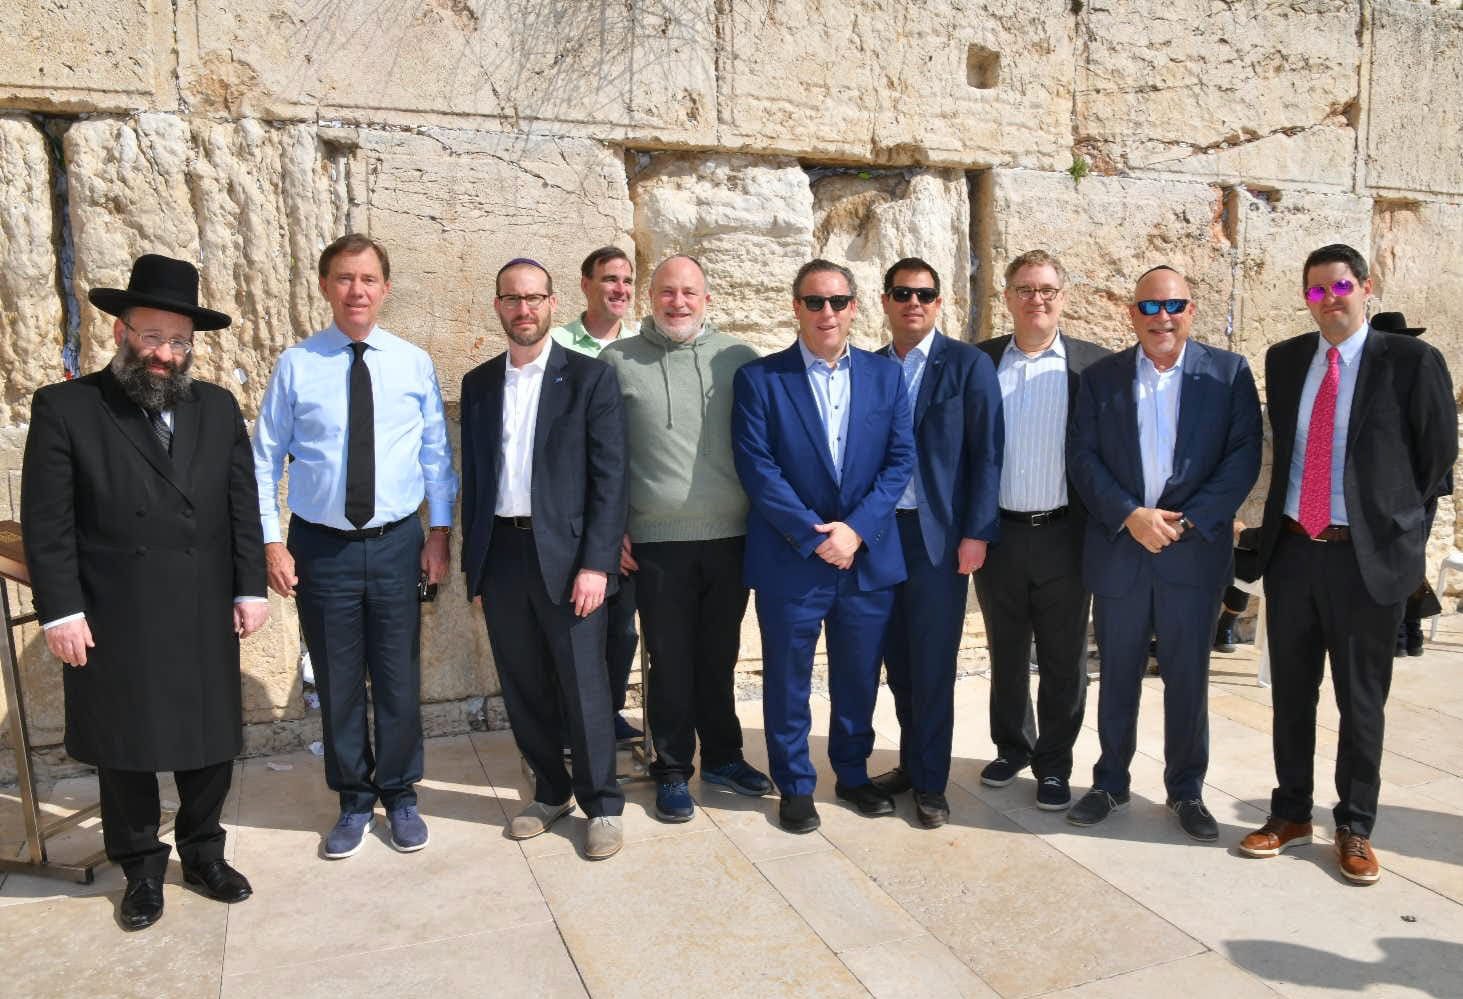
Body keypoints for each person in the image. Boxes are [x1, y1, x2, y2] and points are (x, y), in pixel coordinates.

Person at [22, 253, 268, 931]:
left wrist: (251, 586)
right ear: (120, 333)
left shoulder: (217, 408)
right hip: (114, 610)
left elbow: (242, 507)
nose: (164, 354)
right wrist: (61, 610)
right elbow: (49, 523)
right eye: (151, 337)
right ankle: (141, 868)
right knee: (126, 747)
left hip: (200, 604)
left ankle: (204, 851)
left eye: (178, 341)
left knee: (209, 739)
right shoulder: (67, 407)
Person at [1240, 247, 1455, 884]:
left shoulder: (1411, 362)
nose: (1329, 300)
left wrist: (1390, 524)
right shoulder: (1285, 361)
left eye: (1339, 287)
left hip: (1367, 559)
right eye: (1315, 292)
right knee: (1292, 696)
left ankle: (1355, 827)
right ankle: (1290, 814)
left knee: (1362, 702)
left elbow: (1436, 458)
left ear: (1365, 286)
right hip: (1295, 552)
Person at [254, 234, 457, 860]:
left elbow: (435, 456)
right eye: (344, 278)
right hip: (322, 547)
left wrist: (439, 534)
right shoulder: (297, 365)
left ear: (386, 288)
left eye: (368, 279)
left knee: (397, 676)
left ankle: (399, 794)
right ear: (324, 286)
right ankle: (351, 800)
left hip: (398, 541)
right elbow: (262, 462)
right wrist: (271, 543)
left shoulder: (412, 363)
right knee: (339, 680)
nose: (357, 291)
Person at [1066, 265, 1262, 841]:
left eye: (1172, 305)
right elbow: (1081, 456)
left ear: (1190, 310)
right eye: (1149, 308)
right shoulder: (1100, 377)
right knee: (1117, 674)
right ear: (1132, 315)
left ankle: (1186, 791)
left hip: (1192, 554)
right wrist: (1131, 515)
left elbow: (1243, 456)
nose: (1162, 317)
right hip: (1122, 548)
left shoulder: (1228, 374)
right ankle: (1108, 783)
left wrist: (1189, 521)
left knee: (1187, 677)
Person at [732, 258, 915, 834]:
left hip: (864, 557)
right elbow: (758, 469)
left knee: (858, 676)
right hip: (793, 559)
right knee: (787, 677)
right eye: (815, 302)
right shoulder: (761, 380)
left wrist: (854, 530)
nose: (827, 313)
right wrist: (816, 536)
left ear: (855, 308)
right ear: (796, 309)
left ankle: (853, 774)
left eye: (837, 301)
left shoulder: (887, 378)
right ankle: (794, 784)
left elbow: (899, 460)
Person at [460, 258, 629, 860]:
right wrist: (473, 566)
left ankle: (603, 804)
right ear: (498, 306)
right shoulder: (478, 384)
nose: (523, 309)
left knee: (585, 684)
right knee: (523, 682)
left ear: (553, 303)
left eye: (534, 298)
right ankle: (550, 791)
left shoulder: (589, 379)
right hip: (502, 554)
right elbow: (475, 481)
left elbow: (611, 481)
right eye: (512, 298)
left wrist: (596, 565)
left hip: (569, 557)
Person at [600, 256, 772, 823]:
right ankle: (672, 768)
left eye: (689, 292)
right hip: (656, 541)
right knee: (668, 659)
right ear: (650, 298)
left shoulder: (738, 359)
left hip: (731, 537)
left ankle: (723, 757)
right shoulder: (617, 361)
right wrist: (613, 528)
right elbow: (602, 455)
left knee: (719, 656)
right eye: (667, 292)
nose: (679, 302)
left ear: (706, 297)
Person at [972, 250, 1110, 811]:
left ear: (1064, 297)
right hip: (998, 534)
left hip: (1065, 535)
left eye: (1048, 289)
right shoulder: (979, 364)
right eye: (1026, 289)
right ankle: (1013, 746)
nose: (1038, 299)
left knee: (1062, 656)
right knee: (1005, 650)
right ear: (1006, 298)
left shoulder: (1092, 368)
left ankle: (1055, 764)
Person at [870, 257, 1003, 828]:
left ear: (939, 301)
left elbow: (988, 453)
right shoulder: (867, 368)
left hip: (939, 539)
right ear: (885, 301)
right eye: (902, 293)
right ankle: (910, 757)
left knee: (932, 662)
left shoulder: (968, 365)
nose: (913, 303)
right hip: (878, 536)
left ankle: (930, 782)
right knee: (896, 660)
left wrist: (976, 532)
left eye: (924, 293)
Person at [550, 246, 641, 739]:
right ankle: (569, 721)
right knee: (571, 625)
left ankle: (604, 714)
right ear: (585, 284)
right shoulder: (559, 345)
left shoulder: (641, 343)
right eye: (609, 279)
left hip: (623, 508)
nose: (620, 289)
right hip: (569, 513)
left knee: (622, 628)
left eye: (627, 280)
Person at [1369, 311, 1451, 658]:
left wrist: (1414, 490)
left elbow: (1439, 440)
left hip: (1415, 488)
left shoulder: (1418, 365)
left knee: (1402, 560)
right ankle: (1410, 635)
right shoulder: (1420, 362)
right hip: (1419, 487)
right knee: (1407, 559)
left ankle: (1403, 637)